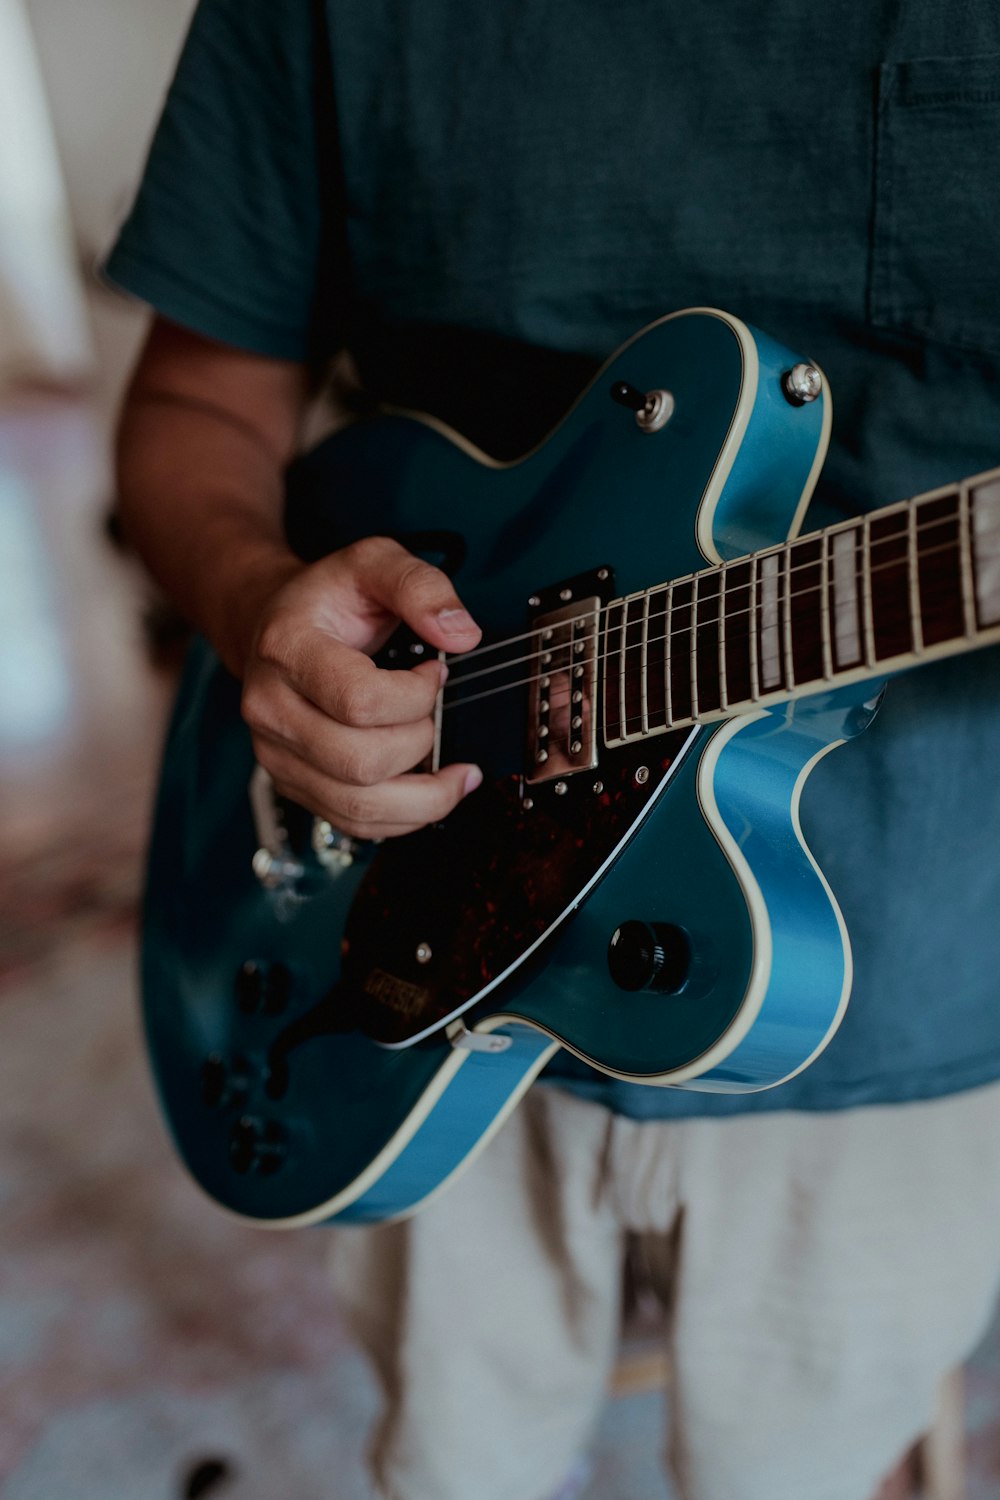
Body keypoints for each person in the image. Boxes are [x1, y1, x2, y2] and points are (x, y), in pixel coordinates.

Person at [107, 3, 1000, 1498]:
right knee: (454, 1456)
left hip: (898, 982)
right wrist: (262, 608)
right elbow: (197, 399)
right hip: (395, 935)